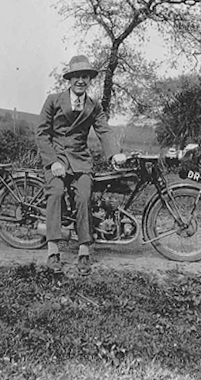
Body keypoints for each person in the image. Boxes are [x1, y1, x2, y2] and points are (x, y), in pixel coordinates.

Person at [36, 55, 126, 275]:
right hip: (56, 160)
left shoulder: (93, 106)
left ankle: (84, 251)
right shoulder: (53, 100)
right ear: (70, 79)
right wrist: (53, 161)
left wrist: (114, 154)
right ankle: (53, 250)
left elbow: (103, 130)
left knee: (84, 197)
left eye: (85, 77)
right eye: (77, 76)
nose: (81, 81)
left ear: (89, 80)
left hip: (81, 161)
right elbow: (41, 133)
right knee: (56, 193)